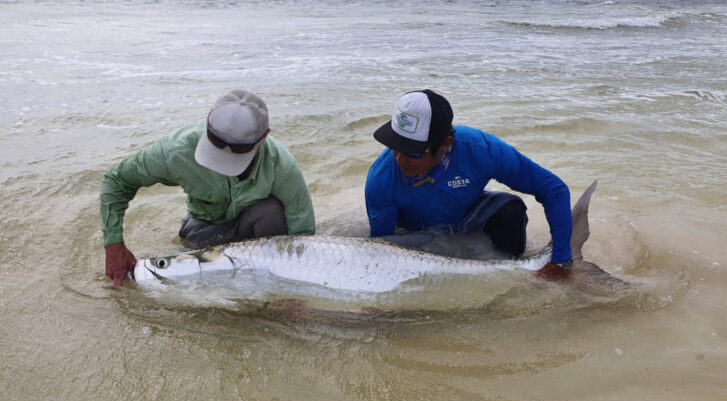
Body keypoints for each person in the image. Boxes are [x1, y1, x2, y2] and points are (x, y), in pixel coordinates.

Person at [101, 89, 315, 288]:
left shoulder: (282, 165)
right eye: (216, 142)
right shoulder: (175, 151)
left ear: (264, 137)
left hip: (256, 230)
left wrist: (296, 287)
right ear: (207, 122)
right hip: (205, 231)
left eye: (238, 150)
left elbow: (302, 233)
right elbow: (117, 180)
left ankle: (266, 284)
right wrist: (113, 245)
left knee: (271, 210)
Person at [365, 89, 572, 280]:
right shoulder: (380, 180)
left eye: (413, 151)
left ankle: (511, 276)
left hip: (469, 218)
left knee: (511, 209)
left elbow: (554, 190)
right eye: (395, 147)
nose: (400, 159)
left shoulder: (481, 150)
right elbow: (383, 252)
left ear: (445, 144)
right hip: (417, 236)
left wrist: (561, 261)